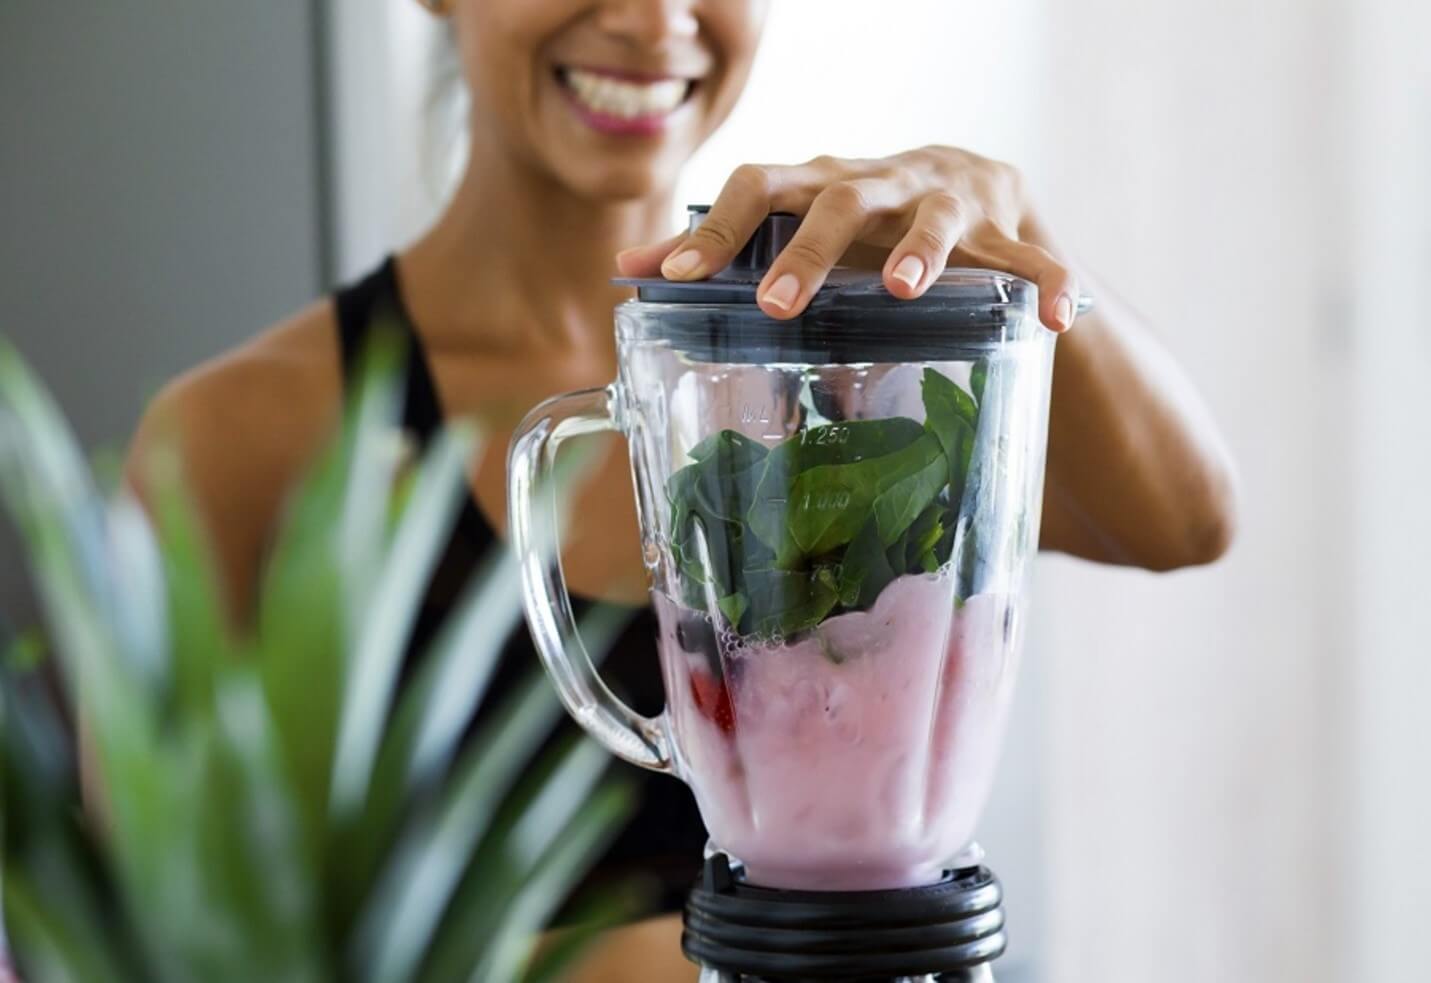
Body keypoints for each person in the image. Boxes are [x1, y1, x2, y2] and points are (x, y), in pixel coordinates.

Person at [125, 0, 1238, 977]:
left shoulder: (844, 359)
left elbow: (1188, 519)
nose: (655, 20)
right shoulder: (242, 436)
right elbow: (166, 941)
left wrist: (1020, 234)